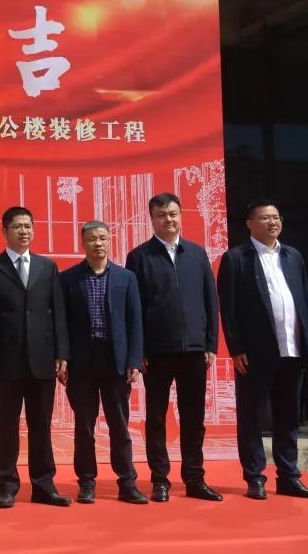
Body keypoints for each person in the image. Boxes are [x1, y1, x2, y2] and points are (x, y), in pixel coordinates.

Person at [218, 199, 308, 501]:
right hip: (255, 351)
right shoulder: (236, 258)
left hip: (292, 348)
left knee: (288, 416)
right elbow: (229, 308)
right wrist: (236, 347)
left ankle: (289, 476)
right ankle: (255, 476)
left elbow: (304, 301)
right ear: (249, 224)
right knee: (252, 416)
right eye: (265, 218)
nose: (273, 222)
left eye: (276, 217)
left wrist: (307, 343)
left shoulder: (293, 256)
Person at [125, 192, 223, 503]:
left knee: (194, 418)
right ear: (151, 220)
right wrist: (139, 350)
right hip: (156, 352)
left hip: (194, 350)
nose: (168, 219)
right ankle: (160, 480)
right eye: (162, 215)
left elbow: (210, 301)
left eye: (173, 214)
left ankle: (195, 479)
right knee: (156, 418)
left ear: (181, 216)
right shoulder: (139, 257)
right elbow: (135, 308)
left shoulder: (197, 254)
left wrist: (210, 343)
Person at [0, 206, 70, 509]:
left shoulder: (47, 267)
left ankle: (44, 485)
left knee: (41, 426)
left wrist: (62, 352)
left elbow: (58, 312)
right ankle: (6, 486)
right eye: (17, 226)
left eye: (28, 226)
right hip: (6, 361)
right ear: (4, 231)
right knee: (6, 426)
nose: (24, 231)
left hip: (43, 360)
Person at [61, 221, 148, 505]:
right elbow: (61, 323)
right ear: (82, 243)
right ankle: (87, 482)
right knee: (84, 426)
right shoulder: (68, 279)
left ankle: (127, 482)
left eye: (102, 238)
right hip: (82, 363)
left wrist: (134, 360)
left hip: (116, 361)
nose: (98, 244)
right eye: (92, 239)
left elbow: (135, 322)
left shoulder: (126, 278)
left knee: (119, 425)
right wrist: (62, 358)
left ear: (110, 241)